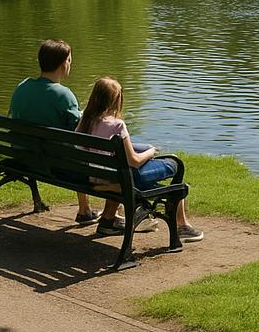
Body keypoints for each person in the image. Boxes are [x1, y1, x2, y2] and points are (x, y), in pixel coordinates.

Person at [78, 76, 203, 242]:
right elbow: (134, 161)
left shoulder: (85, 121)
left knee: (127, 168)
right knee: (175, 165)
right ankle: (182, 226)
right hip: (119, 181)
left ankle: (108, 220)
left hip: (93, 177)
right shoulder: (117, 125)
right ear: (116, 100)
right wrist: (150, 151)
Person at [10, 39, 101, 225]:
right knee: (87, 152)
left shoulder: (22, 86)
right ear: (63, 63)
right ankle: (86, 210)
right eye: (70, 60)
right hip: (55, 164)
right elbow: (80, 133)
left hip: (23, 156)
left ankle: (85, 209)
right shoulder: (63, 94)